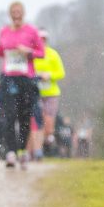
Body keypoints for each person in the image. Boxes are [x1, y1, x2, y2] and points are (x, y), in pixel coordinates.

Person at [0, 1, 44, 169]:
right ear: (10, 14)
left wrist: (28, 52)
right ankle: (11, 152)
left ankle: (22, 150)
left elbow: (41, 52)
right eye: (13, 11)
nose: (16, 14)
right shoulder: (4, 31)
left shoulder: (31, 31)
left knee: (24, 116)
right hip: (8, 77)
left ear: (23, 12)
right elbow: (2, 52)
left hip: (26, 78)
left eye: (19, 11)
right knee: (9, 115)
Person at [30, 29, 66, 159]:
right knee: (36, 121)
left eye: (44, 39)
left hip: (51, 93)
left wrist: (49, 75)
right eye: (39, 39)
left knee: (48, 121)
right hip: (35, 93)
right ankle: (36, 149)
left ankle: (48, 141)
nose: (42, 41)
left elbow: (61, 73)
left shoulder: (52, 54)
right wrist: (36, 76)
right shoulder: (32, 54)